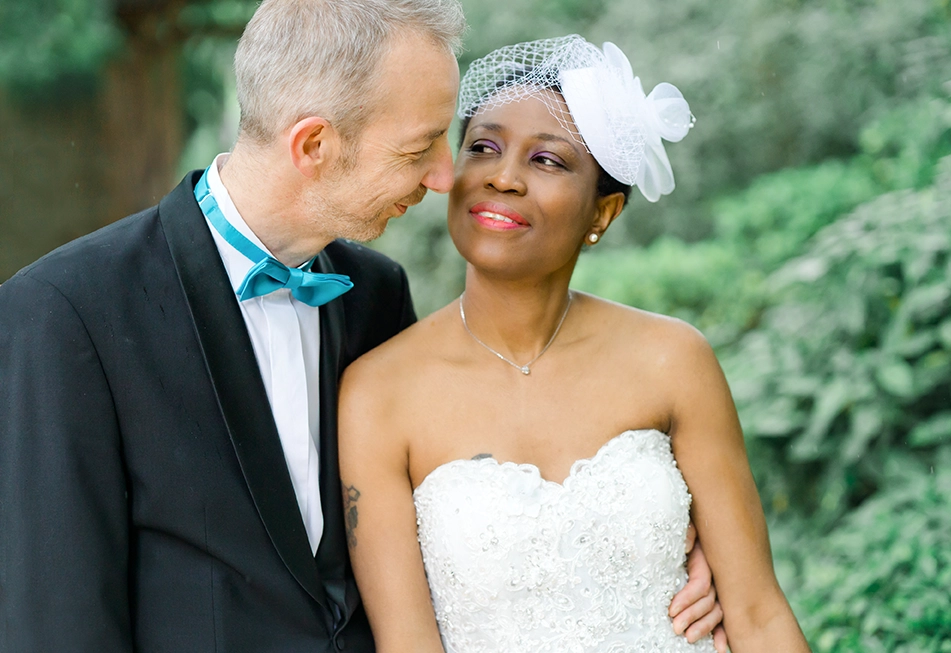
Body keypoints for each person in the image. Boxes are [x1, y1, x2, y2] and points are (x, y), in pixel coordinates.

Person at [0, 3, 720, 652]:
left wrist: (646, 557)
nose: (446, 176)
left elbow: (436, 530)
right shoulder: (65, 316)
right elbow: (57, 620)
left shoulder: (375, 294)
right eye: (418, 149)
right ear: (314, 145)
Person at [338, 35, 810, 652]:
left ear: (603, 213)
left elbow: (757, 610)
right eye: (484, 147)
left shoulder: (674, 360)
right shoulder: (378, 392)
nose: (502, 178)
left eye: (548, 161)